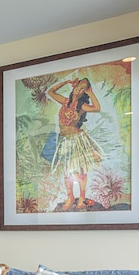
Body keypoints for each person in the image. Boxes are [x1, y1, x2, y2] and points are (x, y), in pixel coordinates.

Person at [47, 77, 103, 210]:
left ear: (85, 91)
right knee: (67, 171)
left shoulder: (82, 106)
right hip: (64, 140)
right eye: (79, 85)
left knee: (80, 170)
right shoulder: (65, 101)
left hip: (76, 139)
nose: (80, 88)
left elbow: (97, 108)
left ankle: (82, 197)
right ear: (74, 86)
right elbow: (50, 92)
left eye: (83, 87)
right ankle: (70, 197)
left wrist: (90, 93)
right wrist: (65, 82)